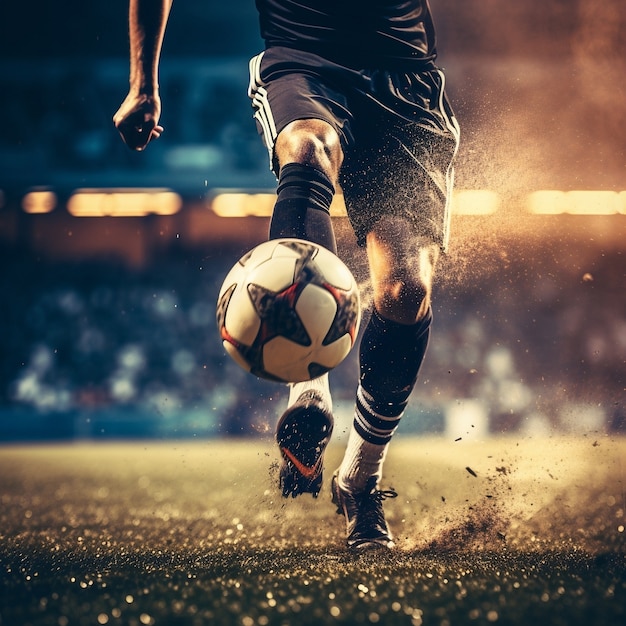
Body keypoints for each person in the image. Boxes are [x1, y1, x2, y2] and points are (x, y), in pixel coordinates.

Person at [114, 0, 460, 551]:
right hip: (305, 58)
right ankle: (308, 389)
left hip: (405, 78)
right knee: (305, 146)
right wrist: (143, 83)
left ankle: (360, 480)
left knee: (405, 288)